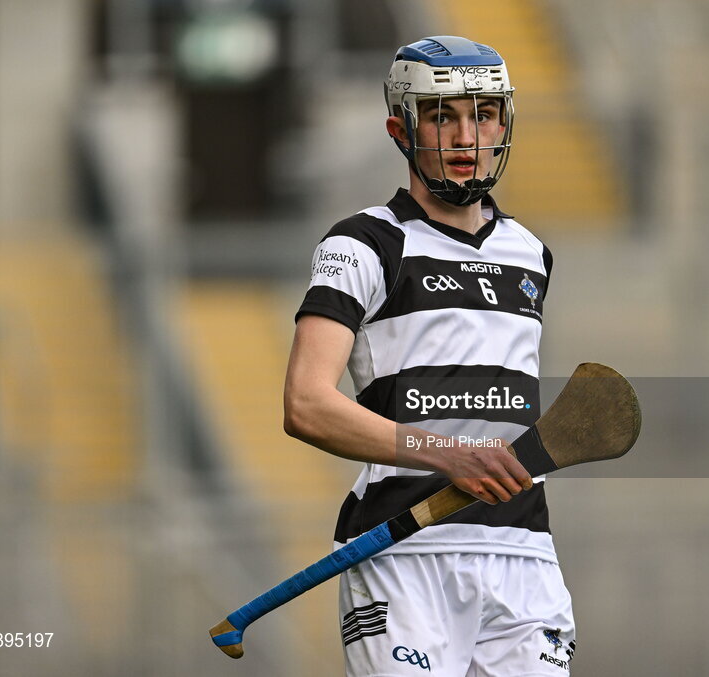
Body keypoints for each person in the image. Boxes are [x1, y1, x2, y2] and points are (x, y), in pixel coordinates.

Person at [284, 35, 575, 676]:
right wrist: (447, 453)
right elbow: (306, 404)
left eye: (485, 113)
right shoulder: (362, 244)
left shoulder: (531, 252)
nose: (467, 137)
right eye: (443, 116)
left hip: (524, 556)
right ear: (401, 128)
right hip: (404, 552)